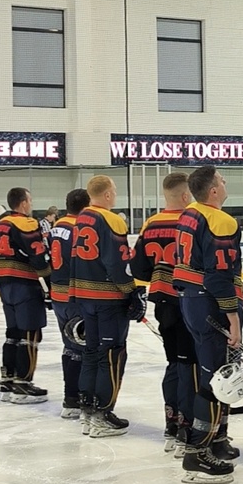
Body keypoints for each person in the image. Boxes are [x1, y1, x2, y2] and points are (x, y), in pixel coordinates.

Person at [173, 165, 243, 483]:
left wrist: (236, 284)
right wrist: (232, 315)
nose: (225, 183)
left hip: (190, 299)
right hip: (209, 304)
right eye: (222, 181)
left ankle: (215, 439)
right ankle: (197, 454)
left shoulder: (190, 211)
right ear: (213, 190)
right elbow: (217, 275)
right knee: (216, 379)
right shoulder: (220, 220)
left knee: (211, 373)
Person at [71, 175, 145, 437]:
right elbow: (116, 263)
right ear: (106, 194)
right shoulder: (111, 219)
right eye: (113, 191)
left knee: (91, 351)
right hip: (107, 299)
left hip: (85, 296)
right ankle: (102, 413)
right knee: (111, 354)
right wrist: (131, 291)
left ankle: (87, 410)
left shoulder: (81, 218)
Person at [131, 172, 199, 453]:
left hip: (163, 302)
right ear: (185, 196)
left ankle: (172, 422)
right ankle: (187, 427)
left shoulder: (151, 223)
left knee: (174, 362)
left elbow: (138, 269)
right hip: (189, 301)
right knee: (189, 365)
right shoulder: (193, 220)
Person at [0, 187, 51, 402]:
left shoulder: (2, 224)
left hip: (2, 281)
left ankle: (7, 379)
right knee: (30, 333)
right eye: (30, 200)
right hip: (23, 281)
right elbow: (38, 255)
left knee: (13, 331)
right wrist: (49, 283)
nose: (31, 204)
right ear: (23, 203)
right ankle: (23, 383)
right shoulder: (26, 223)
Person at [47, 188, 90, 417]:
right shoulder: (80, 229)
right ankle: (78, 398)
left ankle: (70, 398)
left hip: (58, 295)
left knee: (70, 347)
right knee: (83, 347)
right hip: (76, 295)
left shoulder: (57, 227)